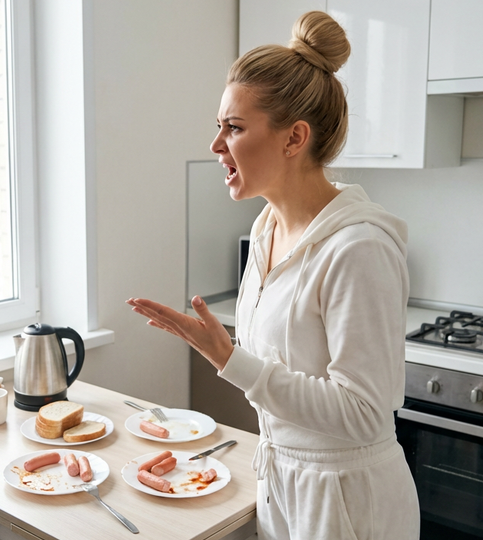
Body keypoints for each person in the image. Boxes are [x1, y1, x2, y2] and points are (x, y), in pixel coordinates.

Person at [127, 11, 419, 540]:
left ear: (294, 138)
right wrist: (227, 354)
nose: (217, 145)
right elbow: (284, 368)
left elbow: (361, 412)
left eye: (234, 128)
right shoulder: (265, 230)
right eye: (219, 126)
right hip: (282, 481)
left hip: (347, 501)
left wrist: (227, 358)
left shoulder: (360, 248)